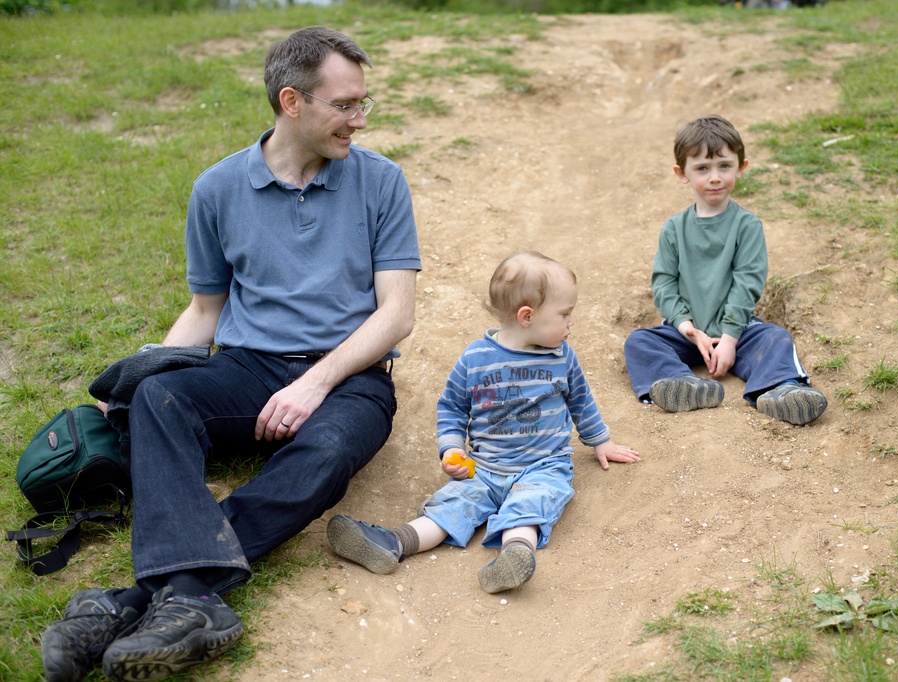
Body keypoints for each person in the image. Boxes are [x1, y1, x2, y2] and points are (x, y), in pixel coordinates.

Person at [40, 26, 420, 682]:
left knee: (329, 449)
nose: (360, 119)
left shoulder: (382, 182)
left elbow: (397, 314)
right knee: (160, 397)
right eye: (345, 105)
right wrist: (139, 377)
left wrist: (317, 382)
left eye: (363, 103)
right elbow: (205, 310)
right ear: (291, 101)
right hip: (248, 367)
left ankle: (141, 599)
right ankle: (187, 601)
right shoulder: (216, 189)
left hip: (352, 375)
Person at [327, 251, 640, 594]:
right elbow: (452, 408)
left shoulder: (561, 357)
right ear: (527, 316)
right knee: (450, 508)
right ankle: (394, 542)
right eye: (565, 314)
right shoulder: (475, 359)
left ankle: (513, 557)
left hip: (543, 467)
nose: (571, 322)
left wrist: (601, 441)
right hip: (482, 469)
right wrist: (451, 449)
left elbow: (580, 400)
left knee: (528, 506)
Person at [623, 114, 827, 426]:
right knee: (639, 341)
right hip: (687, 333)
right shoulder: (674, 229)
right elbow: (664, 283)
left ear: (740, 167)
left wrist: (730, 338)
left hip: (740, 330)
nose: (715, 177)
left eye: (724, 166)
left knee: (775, 337)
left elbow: (747, 282)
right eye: (702, 168)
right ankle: (682, 384)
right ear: (682, 173)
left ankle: (781, 389)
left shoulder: (746, 225)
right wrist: (687, 329)